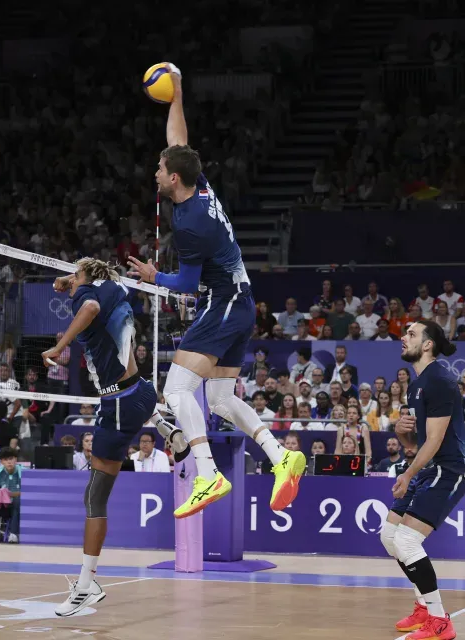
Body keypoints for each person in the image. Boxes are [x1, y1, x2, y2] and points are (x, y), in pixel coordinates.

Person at [127, 65, 304, 519]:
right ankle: (280, 456)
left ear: (174, 179)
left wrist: (154, 277)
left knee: (176, 390)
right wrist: (176, 96)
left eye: (160, 169)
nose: (156, 171)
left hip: (223, 304)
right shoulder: (198, 186)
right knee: (221, 400)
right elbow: (178, 141)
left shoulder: (190, 225)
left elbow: (186, 285)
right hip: (238, 303)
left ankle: (207, 474)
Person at [40, 258, 186, 617]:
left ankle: (86, 585)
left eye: (75, 276)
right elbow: (93, 285)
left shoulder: (86, 296)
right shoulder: (116, 288)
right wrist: (69, 279)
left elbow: (89, 306)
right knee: (100, 488)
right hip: (143, 392)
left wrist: (60, 346)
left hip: (117, 403)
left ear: (85, 278)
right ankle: (165, 426)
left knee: (94, 498)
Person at [382, 320, 465, 640]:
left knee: (407, 541)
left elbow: (434, 441)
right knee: (390, 536)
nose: (403, 338)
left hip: (451, 468)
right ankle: (423, 606)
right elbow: (418, 444)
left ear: (428, 344)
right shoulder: (415, 385)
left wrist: (407, 474)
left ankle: (440, 620)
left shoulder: (441, 381)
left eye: (411, 334)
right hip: (430, 467)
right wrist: (402, 436)